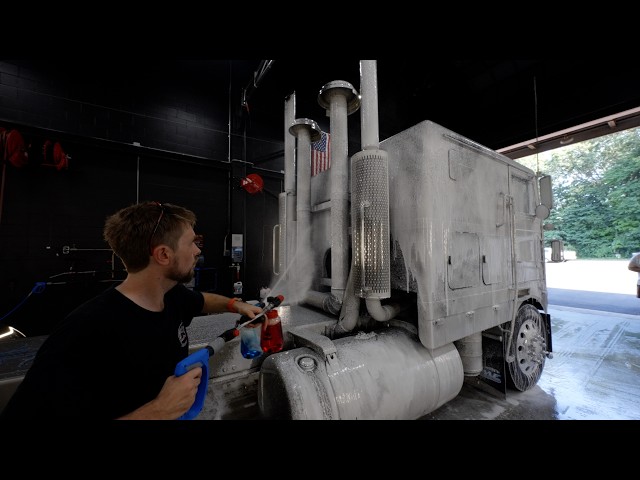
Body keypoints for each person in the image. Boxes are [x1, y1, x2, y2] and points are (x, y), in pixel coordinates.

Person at [0, 201, 262, 420]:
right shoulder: (86, 332)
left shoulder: (170, 296)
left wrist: (236, 305)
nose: (197, 251)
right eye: (193, 242)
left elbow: (202, 300)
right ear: (163, 255)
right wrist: (159, 410)